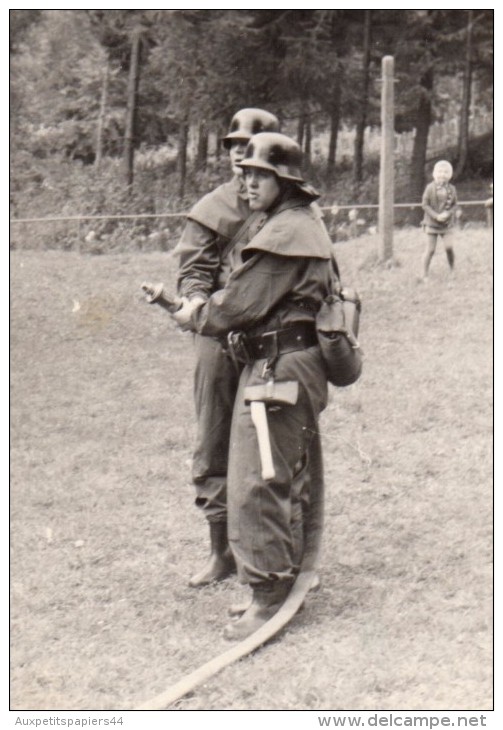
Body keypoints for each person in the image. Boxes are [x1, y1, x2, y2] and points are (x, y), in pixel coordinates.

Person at [173, 133, 333, 640]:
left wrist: (197, 312)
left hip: (280, 367)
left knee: (255, 481)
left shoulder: (287, 232)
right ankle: (276, 580)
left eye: (258, 174)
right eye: (243, 173)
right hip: (278, 362)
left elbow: (239, 304)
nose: (246, 181)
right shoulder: (289, 224)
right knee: (273, 475)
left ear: (283, 180)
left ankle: (267, 596)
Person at [174, 109, 280, 587]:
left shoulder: (290, 207)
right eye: (234, 144)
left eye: (250, 142)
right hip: (218, 338)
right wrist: (198, 304)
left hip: (274, 342)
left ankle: (286, 548)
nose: (239, 151)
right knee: (213, 438)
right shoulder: (212, 206)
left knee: (276, 441)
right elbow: (194, 270)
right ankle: (221, 552)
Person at [421, 160, 458, 280]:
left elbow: (455, 205)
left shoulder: (452, 189)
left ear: (450, 175)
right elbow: (425, 205)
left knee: (449, 247)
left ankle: (452, 270)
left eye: (446, 172)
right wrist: (436, 216)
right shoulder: (429, 188)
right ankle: (424, 274)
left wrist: (448, 213)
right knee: (430, 250)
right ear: (434, 174)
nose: (442, 174)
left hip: (447, 224)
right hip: (432, 224)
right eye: (440, 172)